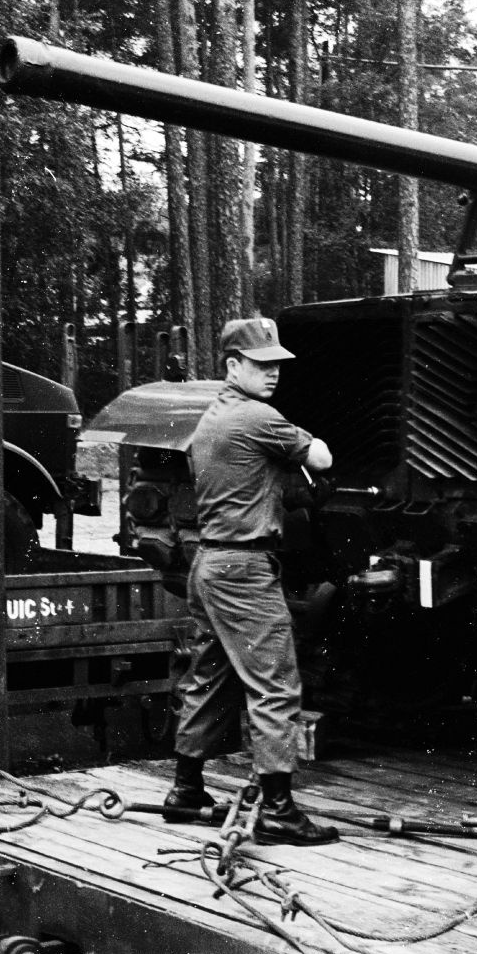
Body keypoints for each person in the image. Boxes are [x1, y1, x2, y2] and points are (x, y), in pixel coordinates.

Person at [165, 317, 338, 845]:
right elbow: (322, 456)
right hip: (243, 570)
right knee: (275, 685)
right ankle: (279, 811)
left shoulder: (211, 418)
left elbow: (249, 481)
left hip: (210, 565)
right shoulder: (258, 416)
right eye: (262, 365)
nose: (273, 374)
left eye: (277, 365)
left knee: (210, 676)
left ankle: (187, 790)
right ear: (233, 365)